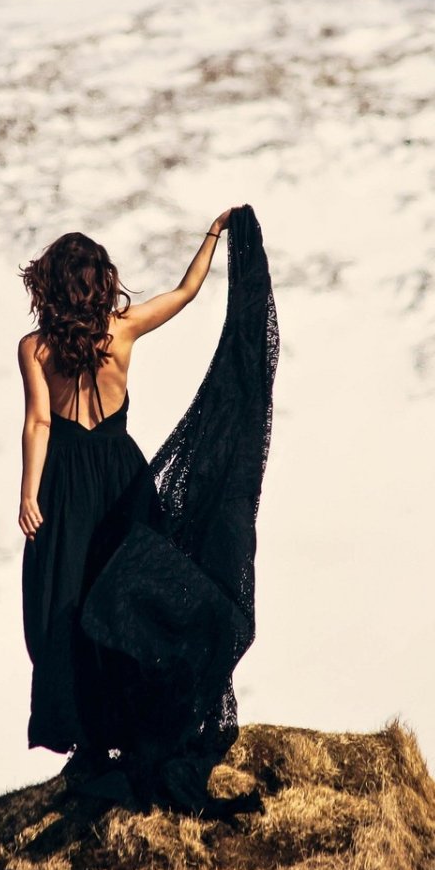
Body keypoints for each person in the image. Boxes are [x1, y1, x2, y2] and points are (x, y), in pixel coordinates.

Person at [16, 203, 276, 814]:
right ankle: (140, 726)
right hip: (123, 479)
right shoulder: (123, 330)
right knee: (131, 604)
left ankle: (91, 737)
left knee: (66, 605)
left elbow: (37, 423)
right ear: (101, 283)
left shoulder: (34, 348)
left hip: (65, 488)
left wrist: (29, 494)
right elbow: (187, 291)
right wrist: (215, 235)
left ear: (50, 287)